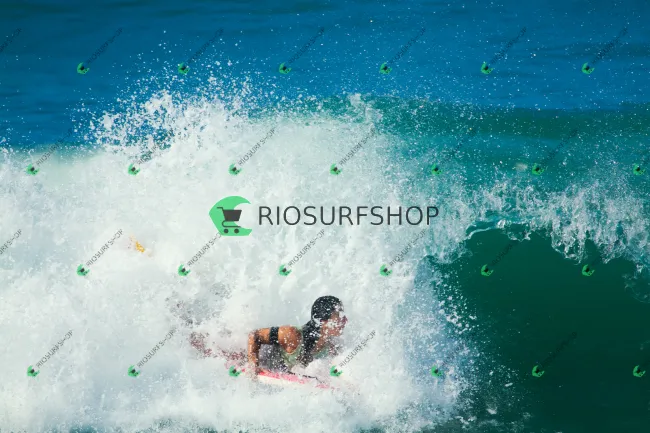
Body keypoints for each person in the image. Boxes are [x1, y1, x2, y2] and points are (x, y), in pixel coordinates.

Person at [246, 296, 347, 379]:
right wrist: (253, 365)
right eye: (339, 316)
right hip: (258, 358)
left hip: (282, 370)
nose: (345, 320)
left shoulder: (331, 346)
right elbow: (254, 335)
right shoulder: (292, 335)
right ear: (321, 321)